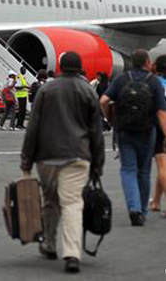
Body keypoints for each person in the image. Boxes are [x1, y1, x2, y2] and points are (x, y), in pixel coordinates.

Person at [21, 51, 104, 274]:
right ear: (79, 68)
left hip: (47, 156)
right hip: (78, 155)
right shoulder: (88, 90)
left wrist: (26, 159)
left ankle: (49, 244)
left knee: (50, 201)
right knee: (72, 203)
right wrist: (98, 163)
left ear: (60, 67)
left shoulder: (47, 89)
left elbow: (33, 126)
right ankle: (72, 254)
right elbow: (96, 130)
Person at [100, 49, 166, 225]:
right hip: (147, 131)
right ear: (147, 63)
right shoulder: (153, 82)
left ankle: (134, 207)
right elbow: (161, 112)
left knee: (128, 169)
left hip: (125, 131)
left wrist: (110, 119)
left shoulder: (122, 79)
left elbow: (103, 101)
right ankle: (142, 210)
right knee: (144, 172)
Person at [149, 55, 166, 216]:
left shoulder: (155, 83)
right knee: (163, 164)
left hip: (160, 124)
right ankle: (156, 201)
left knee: (162, 164)